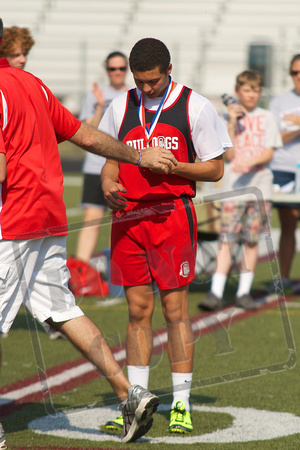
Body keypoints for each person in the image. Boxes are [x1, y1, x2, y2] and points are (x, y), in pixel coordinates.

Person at [0, 37, 179, 444]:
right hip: (47, 215)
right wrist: (138, 156)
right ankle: (127, 392)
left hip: (11, 221)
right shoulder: (34, 84)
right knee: (61, 309)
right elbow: (84, 135)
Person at [100, 37, 231, 434]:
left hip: (171, 217)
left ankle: (181, 403)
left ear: (168, 70)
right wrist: (108, 183)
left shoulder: (195, 105)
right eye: (140, 81)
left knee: (175, 312)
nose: (146, 88)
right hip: (129, 217)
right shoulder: (122, 104)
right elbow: (110, 158)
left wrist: (174, 167)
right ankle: (135, 401)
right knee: (138, 311)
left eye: (153, 81)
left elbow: (215, 169)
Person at [199, 70, 282, 312]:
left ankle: (244, 291)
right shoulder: (227, 119)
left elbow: (269, 151)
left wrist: (252, 163)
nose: (252, 95)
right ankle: (216, 291)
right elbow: (230, 154)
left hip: (261, 189)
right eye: (247, 90)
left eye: (255, 91)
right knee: (227, 238)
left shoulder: (267, 117)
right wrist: (233, 123)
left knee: (251, 238)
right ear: (238, 92)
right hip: (234, 189)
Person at [67, 51, 129, 297]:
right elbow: (87, 131)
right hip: (95, 166)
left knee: (125, 220)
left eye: (121, 68)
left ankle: (127, 271)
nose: (117, 73)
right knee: (92, 221)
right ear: (107, 70)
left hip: (123, 165)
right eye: (113, 69)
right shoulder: (94, 95)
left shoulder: (132, 96)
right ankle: (80, 274)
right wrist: (100, 105)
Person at [268, 54, 300, 294]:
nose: (298, 77)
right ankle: (285, 278)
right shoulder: (279, 102)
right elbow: (274, 138)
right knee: (288, 224)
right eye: (294, 73)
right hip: (283, 168)